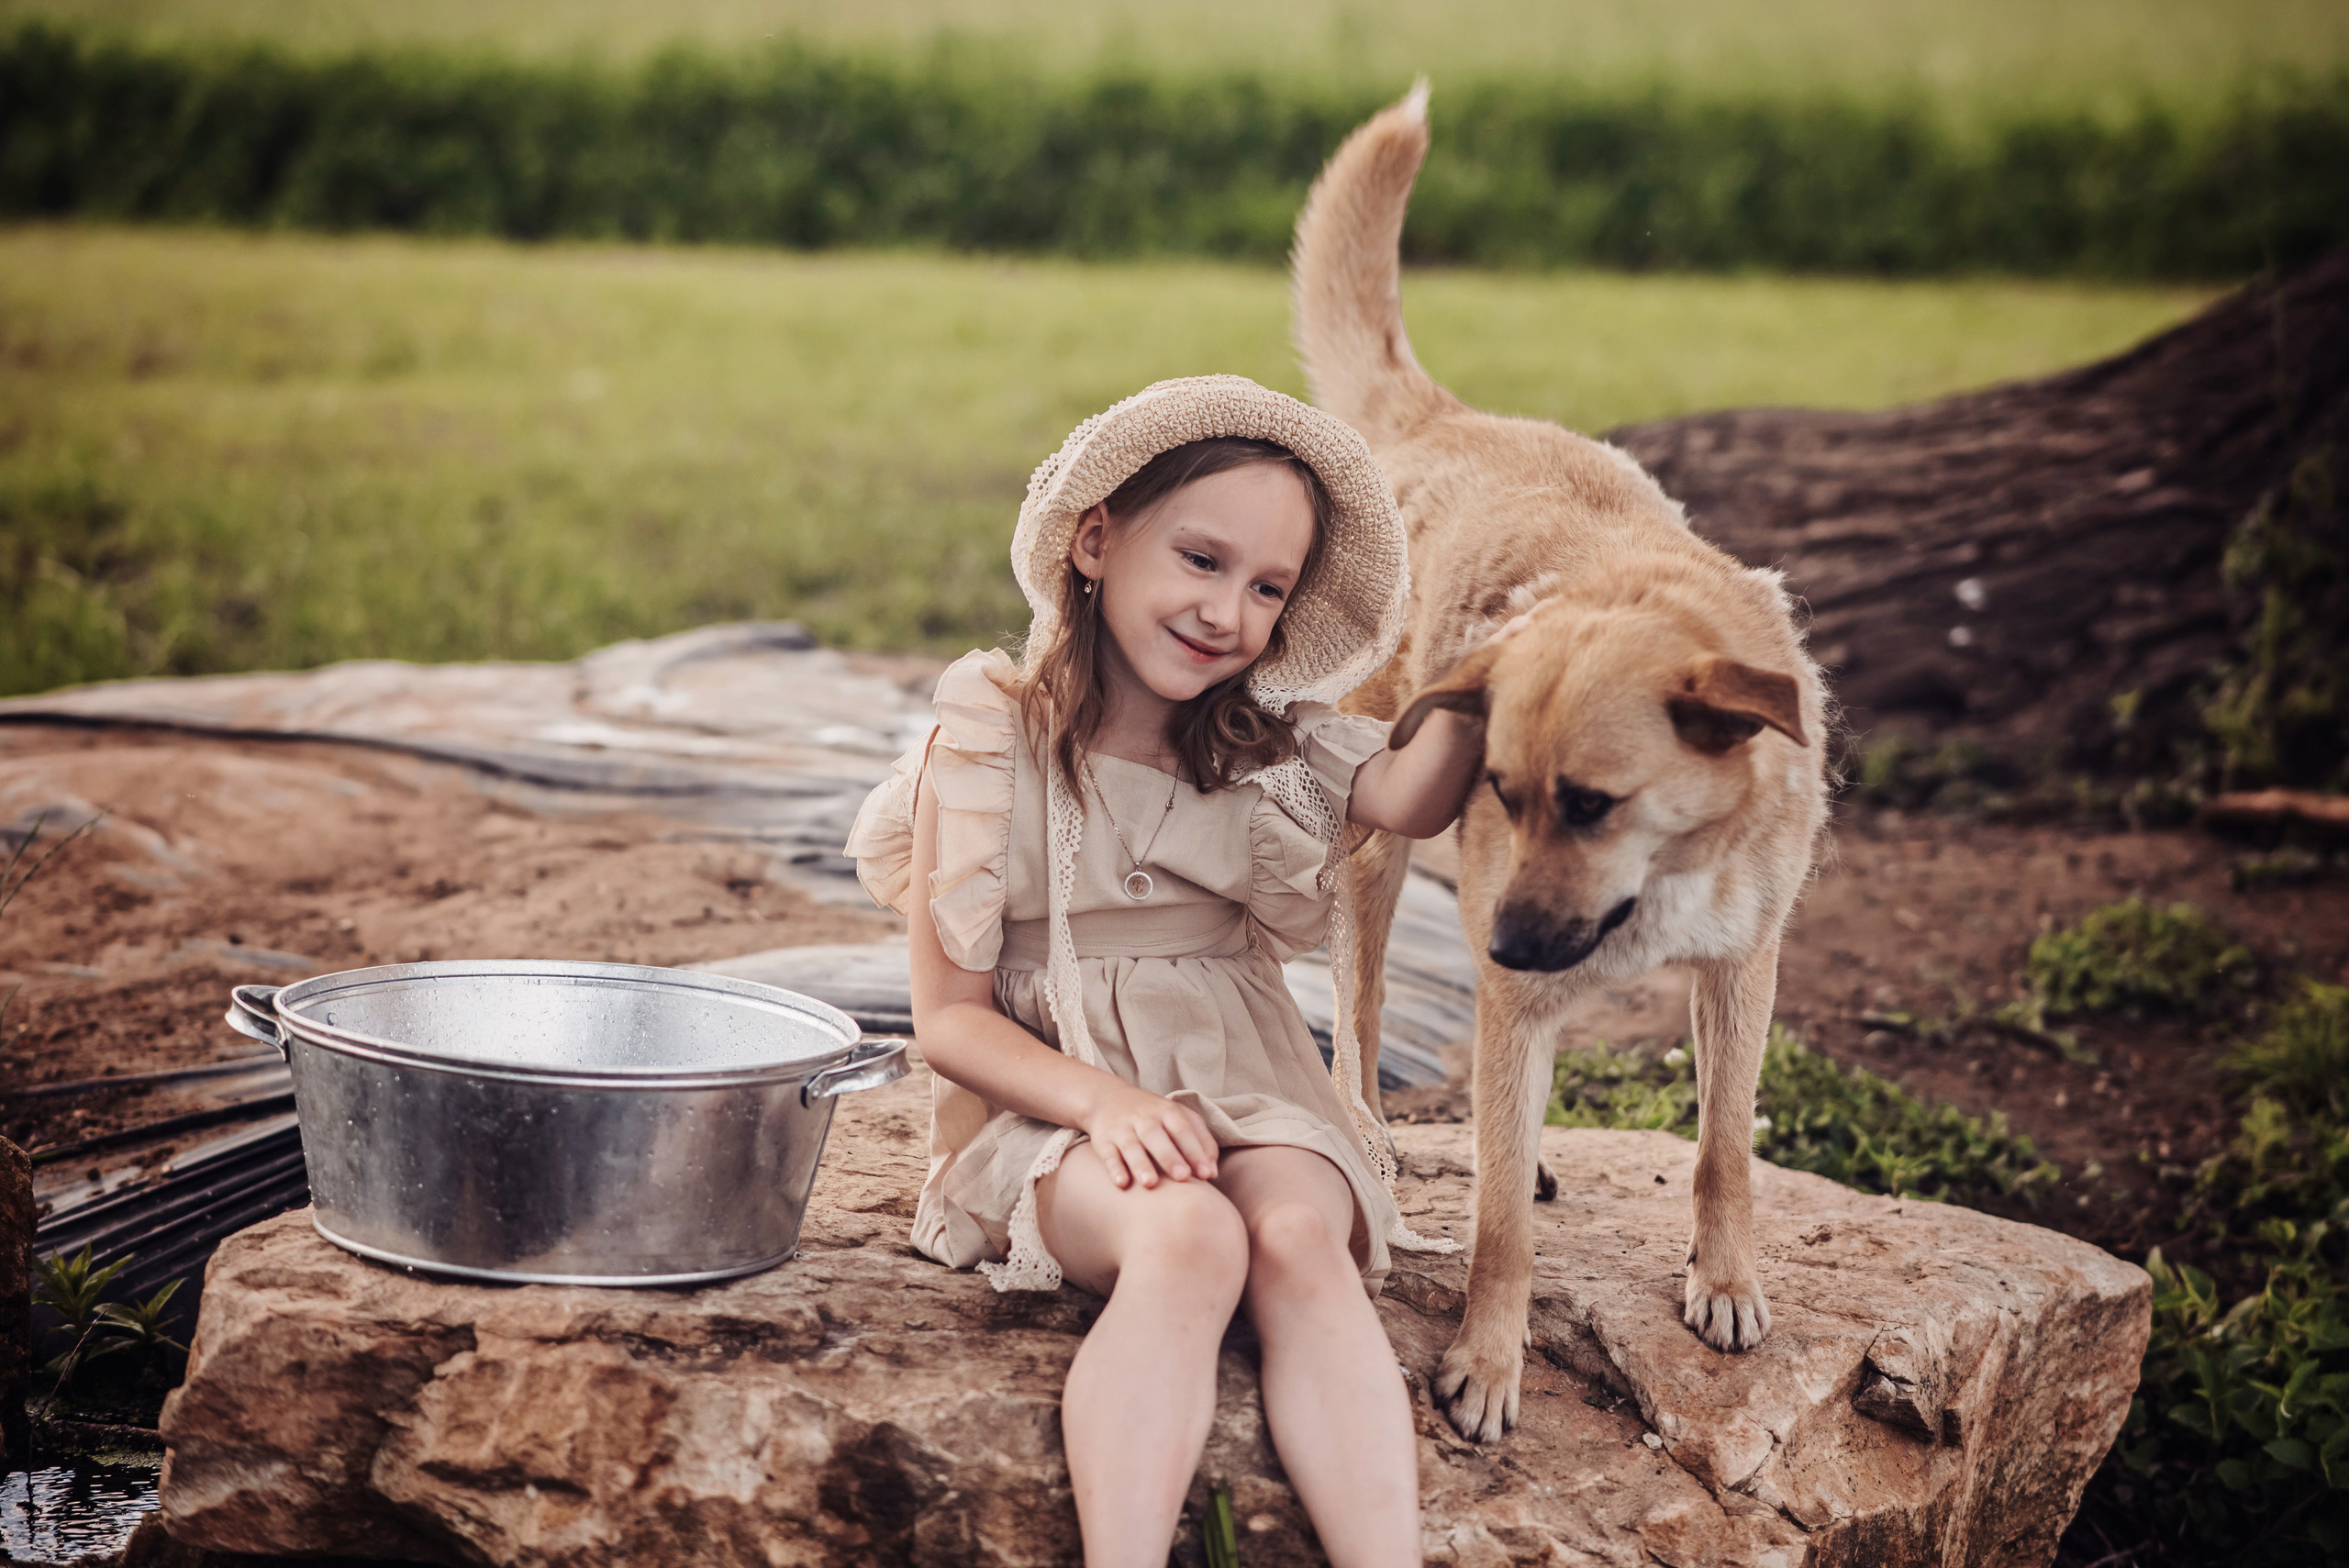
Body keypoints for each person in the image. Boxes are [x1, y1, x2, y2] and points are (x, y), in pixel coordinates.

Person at [846, 375, 1486, 1566]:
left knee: (1294, 1233)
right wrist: (1106, 1103)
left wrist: (1481, 669)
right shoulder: (987, 745)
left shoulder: (1269, 748)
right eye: (1200, 558)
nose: (1225, 610)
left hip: (1256, 1083)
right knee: (1191, 1236)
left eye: (1265, 587)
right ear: (1096, 540)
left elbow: (1413, 794)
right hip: (1064, 1108)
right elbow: (950, 1021)